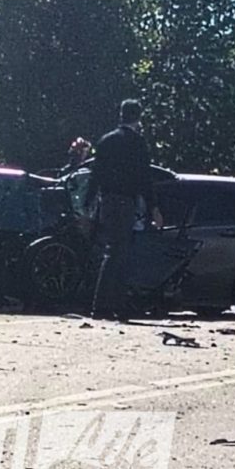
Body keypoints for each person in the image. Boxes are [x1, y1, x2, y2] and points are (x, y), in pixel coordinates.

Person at [84, 99, 163, 320]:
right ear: (138, 118)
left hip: (107, 201)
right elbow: (144, 178)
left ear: (121, 115)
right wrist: (153, 207)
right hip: (125, 201)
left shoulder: (106, 141)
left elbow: (95, 174)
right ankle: (107, 305)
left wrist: (88, 202)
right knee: (119, 252)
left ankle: (109, 304)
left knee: (114, 250)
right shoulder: (137, 143)